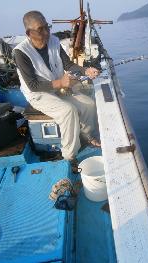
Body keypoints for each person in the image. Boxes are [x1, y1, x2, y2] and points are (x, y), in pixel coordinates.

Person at [14, 10, 100, 172]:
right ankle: (69, 155)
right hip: (38, 95)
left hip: (58, 88)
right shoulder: (20, 52)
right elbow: (32, 85)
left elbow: (68, 65)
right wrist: (61, 82)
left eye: (47, 26)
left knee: (88, 104)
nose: (46, 32)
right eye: (40, 29)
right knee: (68, 111)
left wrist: (85, 70)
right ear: (29, 33)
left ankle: (88, 136)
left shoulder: (54, 41)